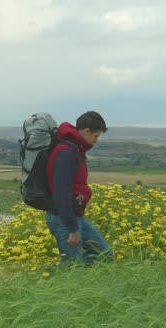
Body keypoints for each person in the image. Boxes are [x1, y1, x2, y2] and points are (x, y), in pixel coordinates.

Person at [46, 111, 113, 264]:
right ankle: (55, 283)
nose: (96, 141)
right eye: (96, 136)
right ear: (86, 131)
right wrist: (72, 229)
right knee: (73, 267)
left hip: (76, 215)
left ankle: (80, 281)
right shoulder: (66, 153)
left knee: (104, 254)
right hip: (63, 218)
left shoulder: (75, 149)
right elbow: (61, 194)